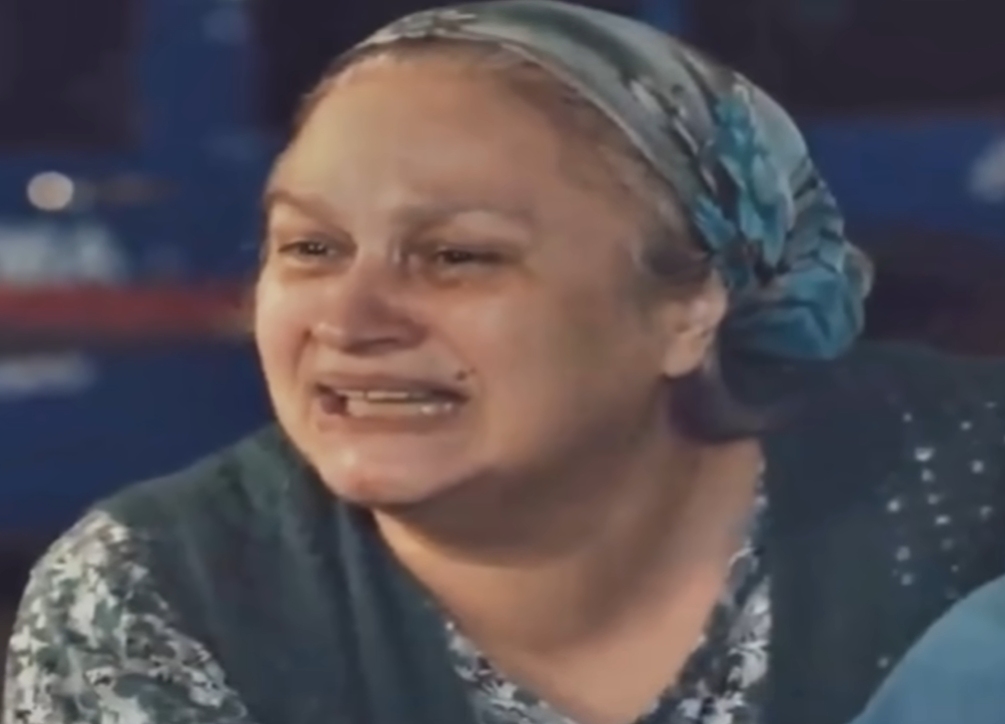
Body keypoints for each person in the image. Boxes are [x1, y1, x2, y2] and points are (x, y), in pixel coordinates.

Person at [4, 2, 1005, 724]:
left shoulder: (960, 482)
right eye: (310, 247)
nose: (349, 317)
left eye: (457, 255)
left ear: (690, 307)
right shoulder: (155, 596)